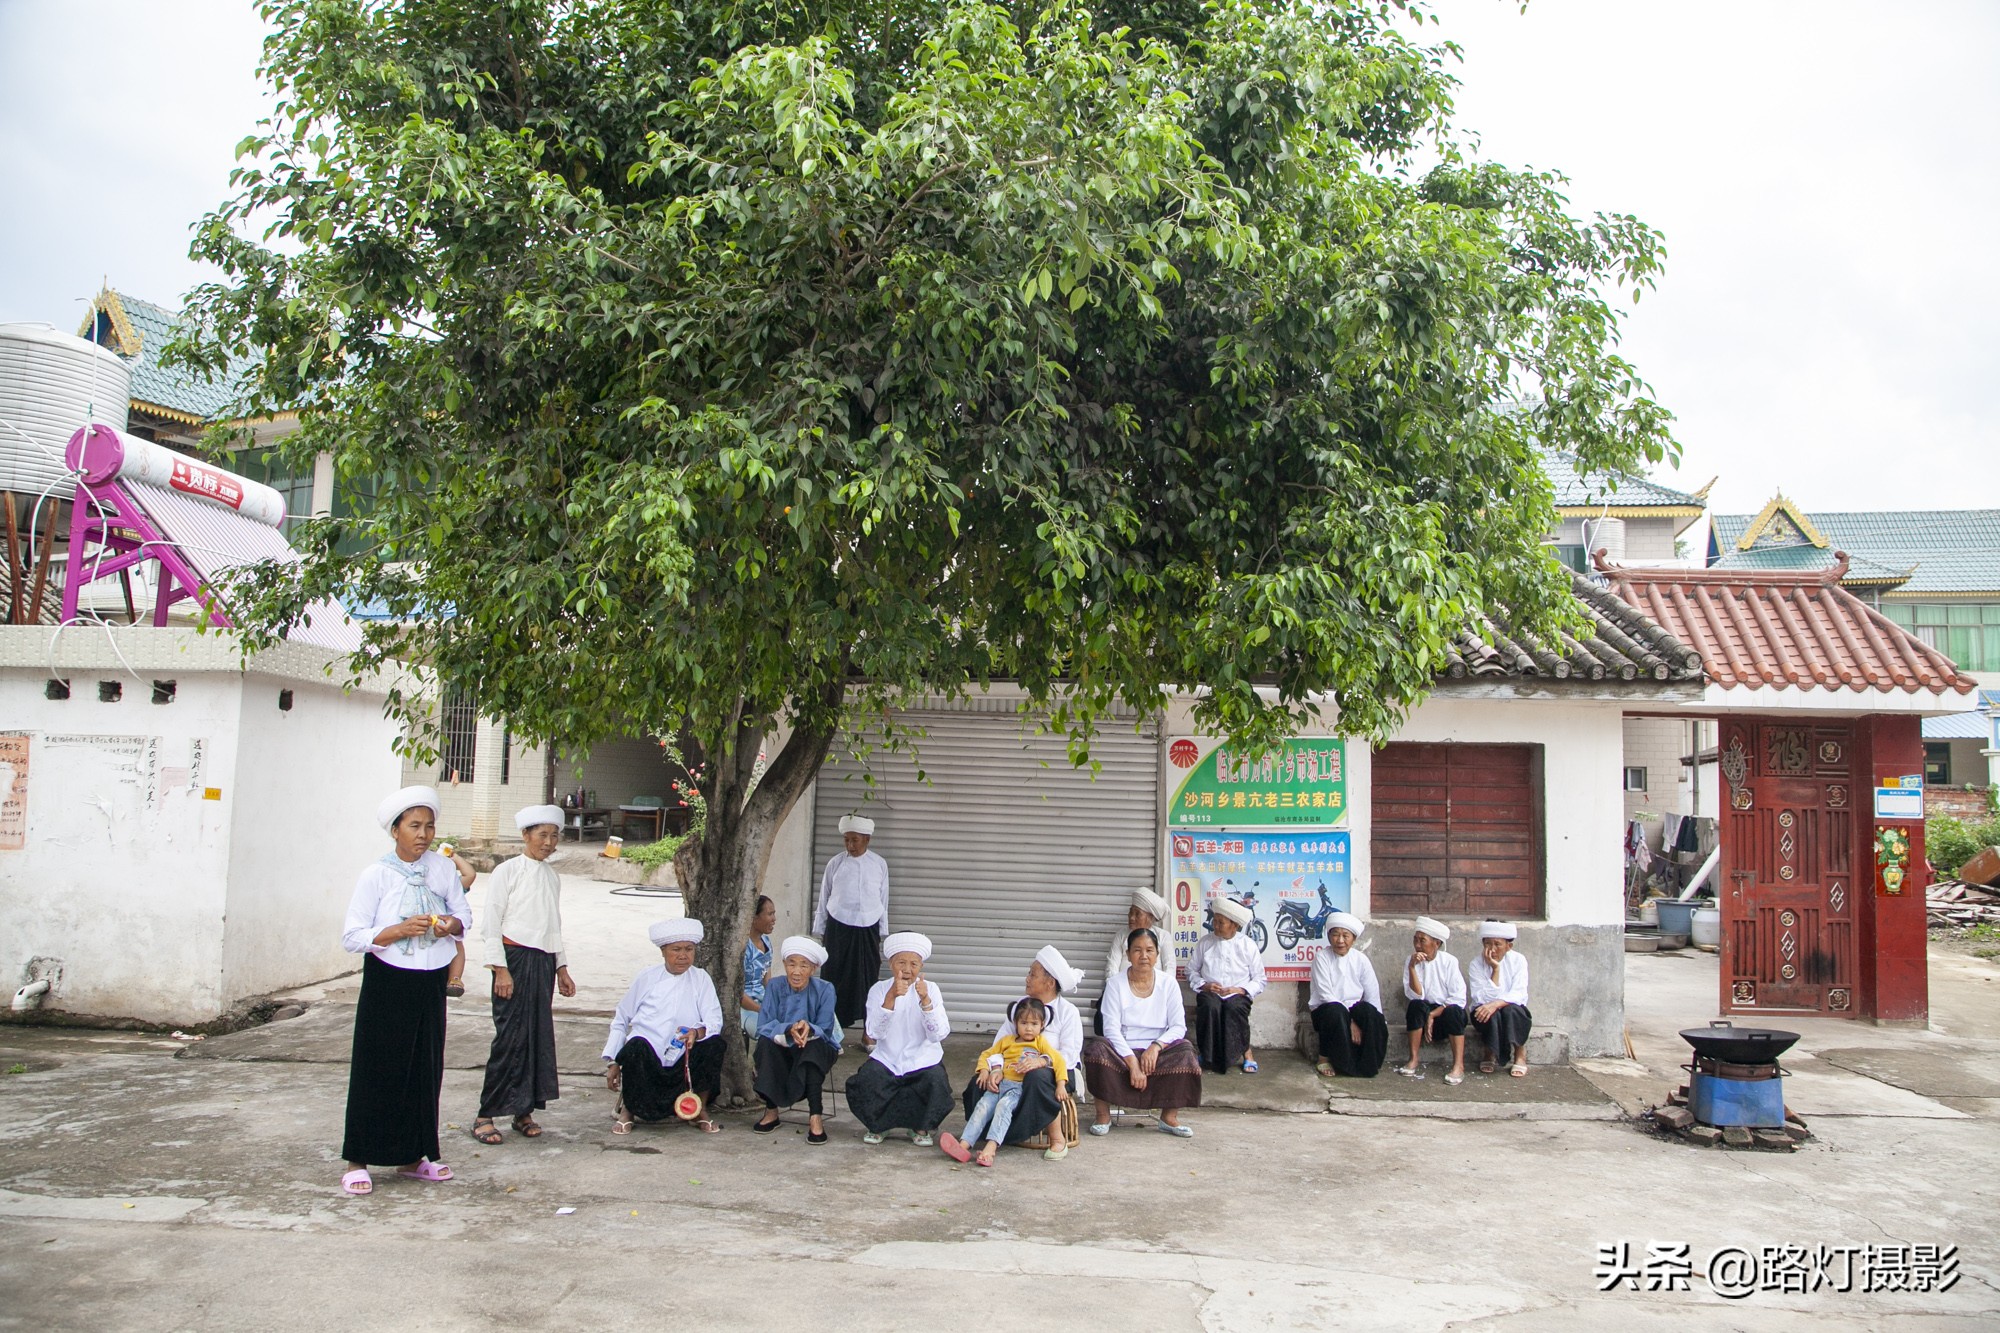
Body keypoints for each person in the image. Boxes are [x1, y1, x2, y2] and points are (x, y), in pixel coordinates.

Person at [337, 786, 475, 1195]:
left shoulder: (442, 869)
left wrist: (450, 924)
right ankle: (358, 1159)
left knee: (424, 1067)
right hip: (389, 977)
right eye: (414, 826)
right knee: (378, 1066)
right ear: (395, 830)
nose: (423, 834)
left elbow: (463, 913)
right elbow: (352, 935)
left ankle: (415, 1156)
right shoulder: (377, 875)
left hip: (430, 977)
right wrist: (396, 930)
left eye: (429, 826)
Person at [472, 803, 576, 1145]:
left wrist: (561, 967)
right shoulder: (507, 871)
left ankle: (523, 1111)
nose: (548, 843)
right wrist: (500, 969)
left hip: (543, 963)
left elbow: (554, 925)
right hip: (513, 961)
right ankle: (485, 1114)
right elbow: (491, 923)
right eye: (542, 835)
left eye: (554, 836)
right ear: (525, 835)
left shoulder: (552, 877)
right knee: (509, 1038)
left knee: (536, 1037)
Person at [603, 918, 725, 1134]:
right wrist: (613, 1061)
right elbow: (621, 1018)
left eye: (689, 949)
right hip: (648, 1056)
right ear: (663, 951)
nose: (683, 955)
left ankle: (699, 1109)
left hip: (683, 1057)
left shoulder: (701, 978)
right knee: (636, 1046)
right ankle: (628, 1111)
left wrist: (696, 1032)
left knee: (715, 1044)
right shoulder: (647, 977)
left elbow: (714, 1019)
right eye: (676, 949)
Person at [962, 946, 1085, 1152]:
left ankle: (1055, 1138)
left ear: (1050, 983)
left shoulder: (1068, 1012)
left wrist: (1041, 1061)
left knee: (1036, 1077)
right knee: (981, 1081)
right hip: (1013, 1070)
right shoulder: (1021, 1006)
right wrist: (996, 1069)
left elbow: (1070, 1056)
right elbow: (999, 1045)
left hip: (1058, 1072)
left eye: (1032, 974)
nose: (1027, 978)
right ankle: (987, 1133)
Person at [1082, 929, 1200, 1138]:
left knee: (1186, 1051)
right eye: (1137, 950)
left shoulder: (1168, 984)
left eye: (1149, 950)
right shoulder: (1115, 984)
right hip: (1122, 1051)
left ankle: (1169, 1117)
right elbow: (1110, 1029)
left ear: (1157, 954)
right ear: (1128, 954)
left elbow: (1178, 1026)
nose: (1143, 956)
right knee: (1096, 1050)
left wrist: (1155, 1047)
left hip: (1158, 1052)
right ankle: (1102, 1116)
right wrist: (1133, 1063)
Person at [843, 932, 952, 1145]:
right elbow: (874, 1033)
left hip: (923, 1057)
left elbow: (938, 1034)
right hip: (888, 1057)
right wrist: (891, 997)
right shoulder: (879, 989)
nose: (908, 969)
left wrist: (926, 1001)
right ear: (891, 964)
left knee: (935, 1080)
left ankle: (920, 1127)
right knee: (869, 1078)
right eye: (901, 962)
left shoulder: (931, 989)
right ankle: (878, 1126)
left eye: (914, 964)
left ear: (921, 966)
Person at [941, 997, 1069, 1165]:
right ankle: (964, 1145)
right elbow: (987, 1055)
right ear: (1015, 1023)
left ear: (1042, 1025)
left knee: (1003, 1108)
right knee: (982, 1107)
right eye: (1024, 1023)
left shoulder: (1040, 1043)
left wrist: (1061, 1085)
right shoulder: (1006, 1041)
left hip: (1017, 1089)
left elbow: (1059, 1061)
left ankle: (990, 1149)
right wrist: (984, 1071)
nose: (1029, 1028)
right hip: (999, 1086)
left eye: (1034, 1024)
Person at [752, 935, 842, 1144]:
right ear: (784, 964)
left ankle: (815, 1116)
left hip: (817, 1044)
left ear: (813, 968)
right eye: (791, 964)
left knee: (813, 1050)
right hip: (783, 1043)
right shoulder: (774, 986)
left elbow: (825, 1027)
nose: (796, 971)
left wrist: (807, 1029)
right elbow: (764, 1024)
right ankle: (771, 1111)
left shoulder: (825, 989)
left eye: (804, 965)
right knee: (765, 1044)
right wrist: (788, 1029)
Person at [813, 814, 889, 1028]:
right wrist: (820, 930)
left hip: (868, 928)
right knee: (834, 976)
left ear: (867, 839)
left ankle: (868, 1030)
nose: (850, 845)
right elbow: (824, 896)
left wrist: (882, 931)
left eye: (855, 840)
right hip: (838, 926)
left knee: (868, 978)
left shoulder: (879, 864)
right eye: (846, 840)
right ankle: (832, 1030)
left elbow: (883, 899)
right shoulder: (835, 863)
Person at [1187, 897, 1266, 1074]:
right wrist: (1204, 985)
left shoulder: (1248, 945)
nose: (1215, 926)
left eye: (1220, 923)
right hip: (1211, 993)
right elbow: (1191, 971)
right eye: (1214, 921)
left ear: (1234, 925)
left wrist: (1241, 990)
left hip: (1237, 994)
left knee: (1234, 1007)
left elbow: (1260, 979)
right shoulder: (1205, 942)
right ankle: (1206, 1054)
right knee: (1209, 1005)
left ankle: (1247, 1053)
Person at [1307, 911, 1387, 1078]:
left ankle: (1367, 1065)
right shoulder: (1322, 957)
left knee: (1369, 1011)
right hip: (1327, 1010)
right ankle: (1324, 1059)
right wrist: (1350, 1021)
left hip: (1353, 1009)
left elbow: (1372, 994)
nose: (1340, 940)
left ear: (1354, 939)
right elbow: (1325, 995)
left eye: (1345, 935)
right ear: (1329, 937)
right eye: (1335, 935)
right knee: (1336, 1011)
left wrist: (1377, 1021)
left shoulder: (1361, 959)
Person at [1399, 916, 1467, 1085]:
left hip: (1445, 1014)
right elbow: (1416, 995)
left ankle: (1458, 1066)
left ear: (1436, 943)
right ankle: (1413, 1059)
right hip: (1423, 1015)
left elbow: (1458, 997)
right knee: (1415, 1005)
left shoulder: (1449, 961)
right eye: (1415, 939)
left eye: (1422, 940)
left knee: (1454, 1011)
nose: (1417, 945)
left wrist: (1433, 1014)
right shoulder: (1411, 960)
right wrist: (1412, 967)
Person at [1468, 921, 1532, 1077]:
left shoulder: (1519, 960)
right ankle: (1489, 1052)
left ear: (1509, 946)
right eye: (1488, 944)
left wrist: (1497, 1004)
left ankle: (1519, 1053)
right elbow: (1480, 997)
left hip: (1511, 1009)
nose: (1492, 949)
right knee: (1491, 1013)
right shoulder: (1476, 964)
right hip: (1485, 1011)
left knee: (1511, 1010)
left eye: (1497, 944)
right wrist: (1495, 969)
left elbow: (1519, 993)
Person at [740, 895, 776, 1049]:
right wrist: (762, 1010)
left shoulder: (766, 942)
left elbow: (767, 980)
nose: (774, 919)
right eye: (770, 914)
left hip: (763, 1002)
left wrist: (774, 1002)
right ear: (754, 918)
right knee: (770, 1033)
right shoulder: (742, 947)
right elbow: (737, 994)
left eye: (774, 914)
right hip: (745, 1006)